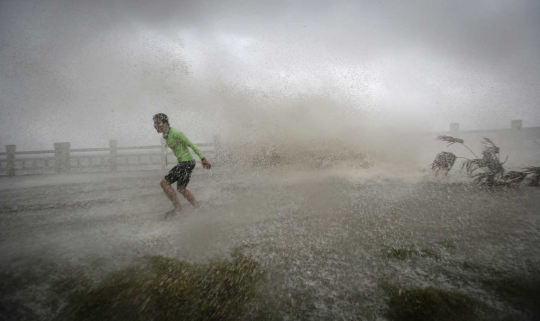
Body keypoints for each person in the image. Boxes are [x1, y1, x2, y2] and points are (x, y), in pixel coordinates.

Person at [153, 113, 211, 215]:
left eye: (158, 123)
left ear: (166, 123)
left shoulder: (176, 133)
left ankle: (178, 209)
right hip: (186, 163)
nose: (156, 125)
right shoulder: (166, 135)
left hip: (186, 163)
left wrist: (203, 158)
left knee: (164, 183)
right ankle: (198, 207)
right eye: (155, 123)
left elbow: (191, 145)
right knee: (181, 188)